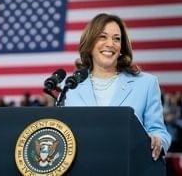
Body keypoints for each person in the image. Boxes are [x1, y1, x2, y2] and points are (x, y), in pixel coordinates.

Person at [64, 13, 171, 160]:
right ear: (89, 44)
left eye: (116, 39)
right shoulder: (72, 86)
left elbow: (159, 131)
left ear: (121, 47)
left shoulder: (146, 83)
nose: (110, 43)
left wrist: (158, 139)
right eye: (103, 37)